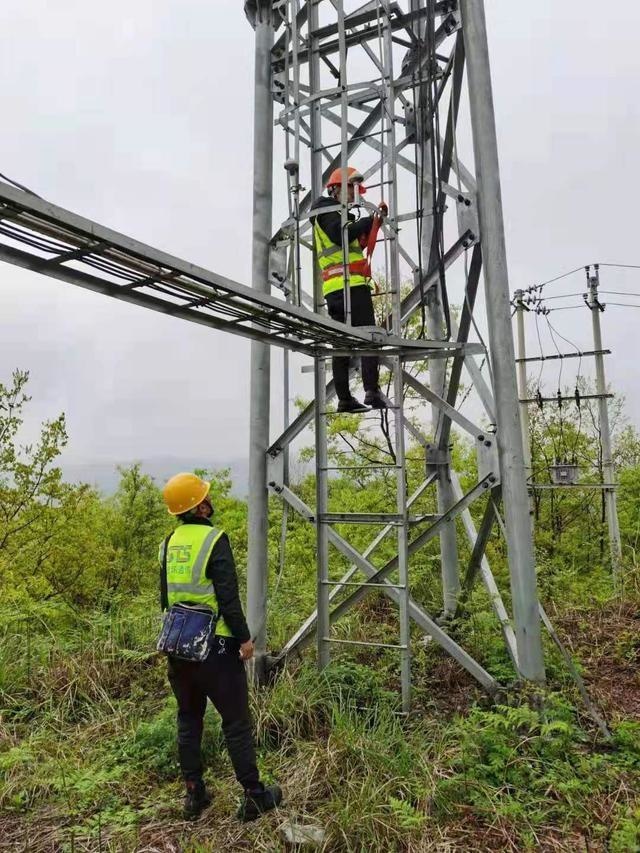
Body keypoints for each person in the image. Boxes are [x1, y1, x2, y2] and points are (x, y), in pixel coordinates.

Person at [158, 472, 282, 822]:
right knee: (236, 722)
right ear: (199, 506)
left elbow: (165, 599)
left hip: (179, 646)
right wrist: (244, 639)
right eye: (204, 496)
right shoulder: (215, 540)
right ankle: (255, 795)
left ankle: (194, 794)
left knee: (188, 718)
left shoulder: (169, 543)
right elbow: (228, 596)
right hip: (217, 647)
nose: (208, 499)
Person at [312, 165, 389, 413]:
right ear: (336, 188)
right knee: (368, 336)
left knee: (342, 343)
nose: (355, 196)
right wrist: (366, 221)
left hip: (338, 288)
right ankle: (371, 390)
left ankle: (346, 398)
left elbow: (350, 240)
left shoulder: (336, 215)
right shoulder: (325, 208)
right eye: (352, 189)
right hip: (349, 286)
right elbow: (340, 235)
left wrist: (369, 227)